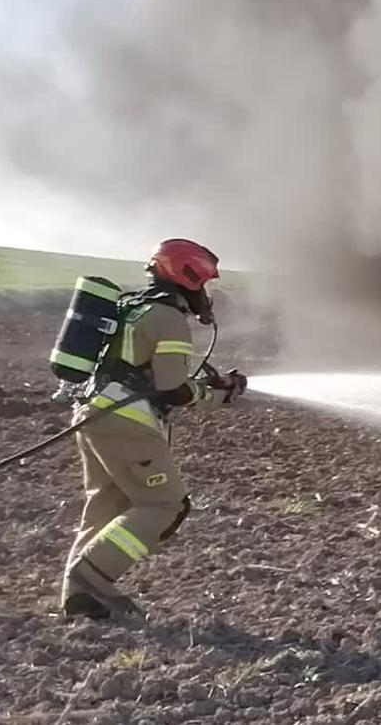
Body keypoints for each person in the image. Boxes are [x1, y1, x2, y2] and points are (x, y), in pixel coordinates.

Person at [59, 238, 246, 621]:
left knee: (106, 507)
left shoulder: (132, 308)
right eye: (204, 284)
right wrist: (216, 396)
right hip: (126, 423)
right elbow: (172, 389)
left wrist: (210, 388)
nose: (206, 296)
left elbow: (150, 374)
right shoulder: (170, 320)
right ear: (189, 277)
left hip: (94, 414)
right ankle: (92, 574)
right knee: (165, 504)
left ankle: (79, 598)